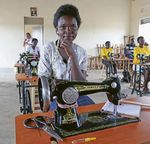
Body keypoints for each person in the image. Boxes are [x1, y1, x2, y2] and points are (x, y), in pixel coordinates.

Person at [38, 4, 94, 112]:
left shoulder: (81, 52)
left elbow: (81, 84)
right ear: (57, 30)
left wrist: (73, 56)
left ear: (77, 28)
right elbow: (44, 83)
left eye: (73, 26)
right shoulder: (48, 50)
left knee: (94, 115)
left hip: (78, 97)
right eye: (63, 27)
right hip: (55, 99)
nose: (68, 31)